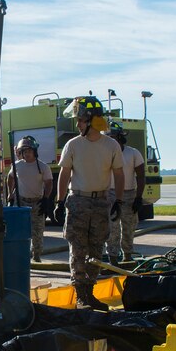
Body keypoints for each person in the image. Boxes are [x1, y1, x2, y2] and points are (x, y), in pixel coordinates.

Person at [54, 96, 124, 310]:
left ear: (91, 120)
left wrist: (118, 200)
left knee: (96, 248)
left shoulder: (111, 145)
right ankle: (81, 295)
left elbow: (119, 174)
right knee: (78, 248)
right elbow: (64, 174)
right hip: (78, 201)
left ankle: (90, 293)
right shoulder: (73, 145)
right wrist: (59, 201)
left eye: (81, 120)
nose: (77, 124)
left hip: (101, 201)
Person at [103, 122, 145, 263]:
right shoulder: (104, 154)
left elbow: (141, 176)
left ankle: (127, 255)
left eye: (113, 137)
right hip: (111, 194)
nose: (110, 141)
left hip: (129, 194)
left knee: (129, 226)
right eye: (108, 138)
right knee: (112, 228)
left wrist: (139, 197)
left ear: (120, 137)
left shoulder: (133, 153)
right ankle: (113, 258)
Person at [7, 135, 52, 262]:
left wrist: (46, 199)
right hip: (20, 201)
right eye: (24, 152)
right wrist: (10, 194)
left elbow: (49, 183)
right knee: (19, 230)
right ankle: (20, 256)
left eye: (29, 151)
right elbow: (10, 178)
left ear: (34, 151)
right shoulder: (17, 166)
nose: (27, 154)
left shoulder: (43, 167)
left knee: (37, 231)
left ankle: (36, 255)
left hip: (37, 202)